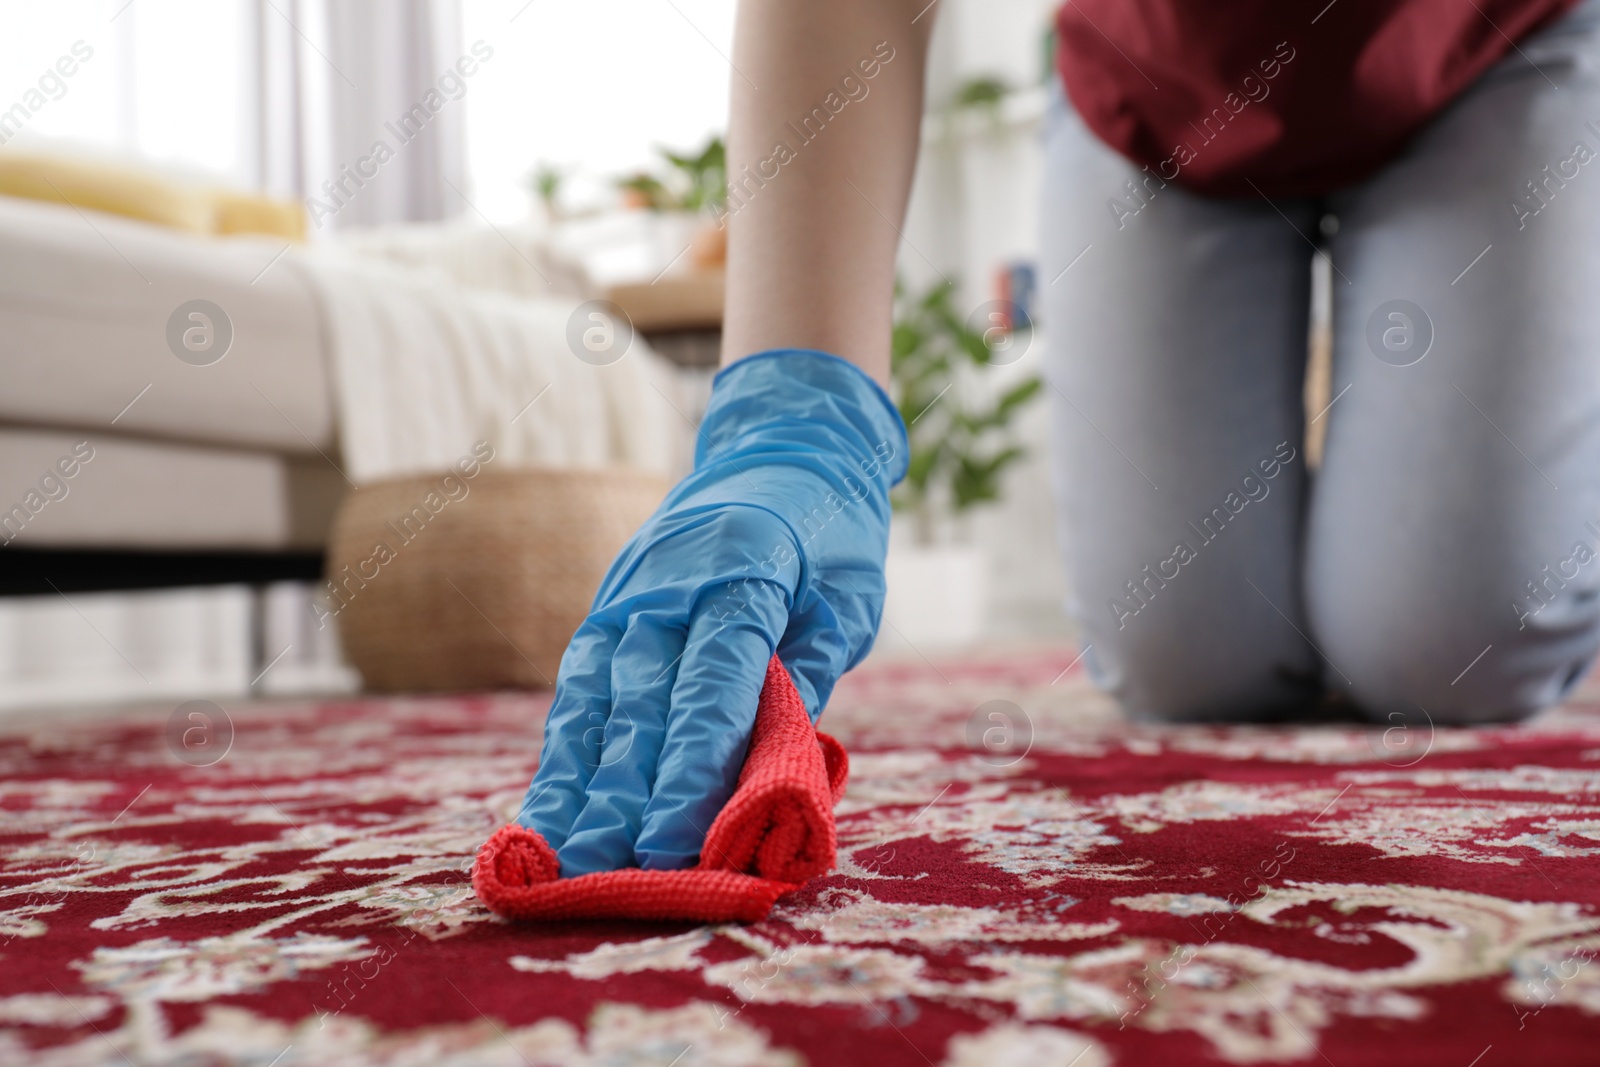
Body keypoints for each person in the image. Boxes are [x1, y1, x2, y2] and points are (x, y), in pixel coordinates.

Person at [517, 0, 1600, 875]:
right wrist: (791, 418)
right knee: (1186, 660)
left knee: (1446, 649)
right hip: (1162, 82)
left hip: (1486, 46)